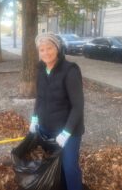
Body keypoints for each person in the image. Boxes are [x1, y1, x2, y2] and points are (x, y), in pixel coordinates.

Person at [29, 33, 84, 190]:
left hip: (69, 130)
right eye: (42, 49)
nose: (46, 53)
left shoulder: (70, 70)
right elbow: (39, 97)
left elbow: (78, 105)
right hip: (48, 128)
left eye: (49, 48)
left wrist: (66, 132)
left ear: (57, 48)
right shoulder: (41, 69)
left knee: (69, 167)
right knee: (56, 166)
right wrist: (34, 118)